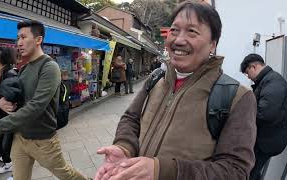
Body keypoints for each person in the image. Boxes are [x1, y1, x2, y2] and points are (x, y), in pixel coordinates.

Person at [94, 1, 257, 180]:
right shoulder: (156, 78)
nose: (179, 40)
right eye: (174, 30)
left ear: (213, 44)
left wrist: (162, 171)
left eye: (192, 31)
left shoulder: (237, 97)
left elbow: (234, 171)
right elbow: (131, 118)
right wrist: (124, 147)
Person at [0, 20, 89, 180]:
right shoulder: (25, 68)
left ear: (38, 39)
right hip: (20, 138)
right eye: (18, 38)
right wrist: (1, 103)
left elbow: (36, 106)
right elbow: (20, 100)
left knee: (66, 174)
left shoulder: (49, 67)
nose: (19, 43)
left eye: (24, 37)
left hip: (43, 141)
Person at [240, 53, 287, 180]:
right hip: (265, 138)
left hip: (268, 141)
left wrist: (241, 116)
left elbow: (265, 114)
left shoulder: (273, 82)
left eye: (247, 73)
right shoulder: (266, 81)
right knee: (252, 171)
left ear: (254, 67)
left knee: (249, 171)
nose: (248, 77)